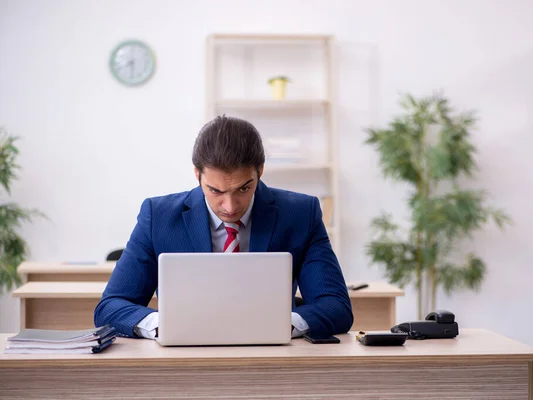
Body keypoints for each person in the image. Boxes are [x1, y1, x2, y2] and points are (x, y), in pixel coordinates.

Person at [94, 115, 353, 339]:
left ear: (260, 171)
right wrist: (164, 326)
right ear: (197, 175)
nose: (229, 206)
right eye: (215, 190)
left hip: (271, 357)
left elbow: (335, 305)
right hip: (182, 358)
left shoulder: (299, 214)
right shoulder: (158, 217)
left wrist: (282, 325)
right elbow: (111, 307)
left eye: (243, 188)